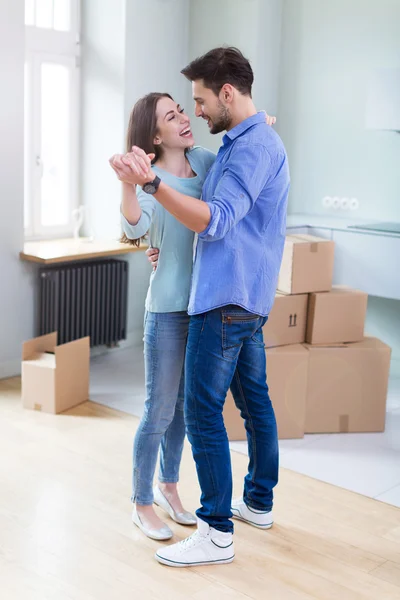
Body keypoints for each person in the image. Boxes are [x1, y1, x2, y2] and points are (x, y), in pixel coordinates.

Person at [118, 46, 290, 568]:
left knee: (198, 413)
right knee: (244, 402)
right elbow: (140, 226)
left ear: (227, 94)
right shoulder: (242, 142)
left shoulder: (237, 149)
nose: (195, 112)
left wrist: (151, 184)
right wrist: (145, 200)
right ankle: (254, 502)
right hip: (227, 298)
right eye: (179, 110)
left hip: (224, 299)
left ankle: (215, 529)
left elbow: (213, 219)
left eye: (197, 102)